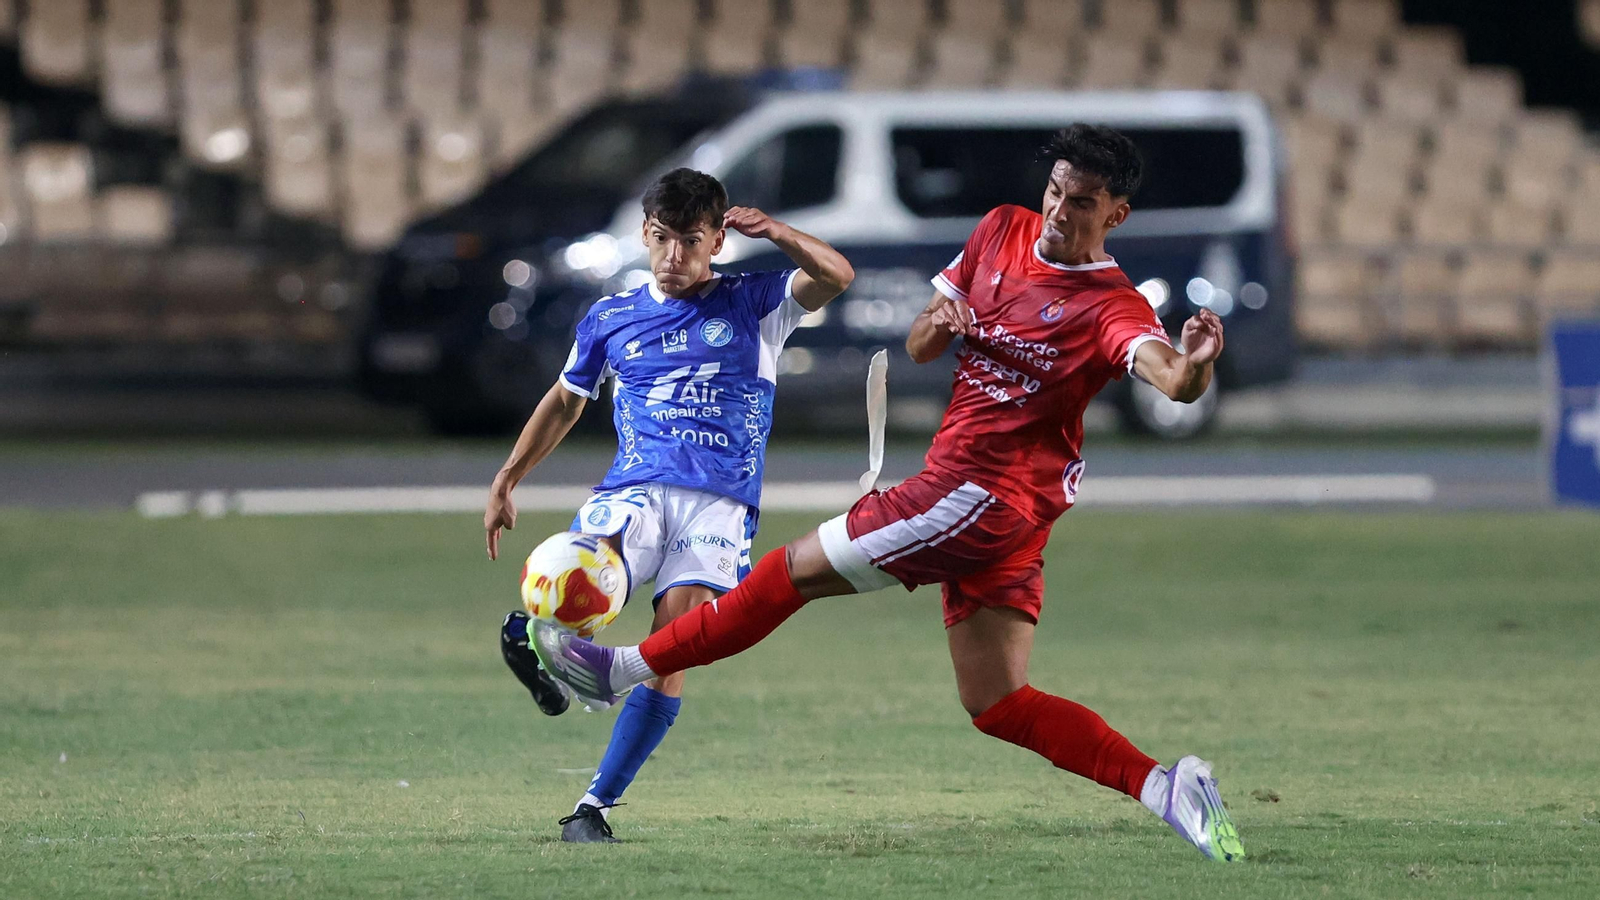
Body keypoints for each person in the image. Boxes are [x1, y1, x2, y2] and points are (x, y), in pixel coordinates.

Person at [531, 125, 1245, 862]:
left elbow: (1172, 380)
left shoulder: (1111, 304)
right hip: (1002, 514)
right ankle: (1167, 788)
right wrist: (939, 320)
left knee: (789, 571)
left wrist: (1194, 364)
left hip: (978, 493)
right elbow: (920, 344)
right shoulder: (1003, 229)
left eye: (1083, 203)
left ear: (1116, 215)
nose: (1060, 212)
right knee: (997, 701)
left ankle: (619, 670)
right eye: (1056, 192)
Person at [487, 167, 854, 843]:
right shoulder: (610, 317)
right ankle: (541, 646)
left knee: (672, 647)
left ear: (717, 240)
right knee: (575, 577)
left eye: (690, 240)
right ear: (645, 234)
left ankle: (592, 808)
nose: (673, 256)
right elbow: (567, 399)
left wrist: (775, 231)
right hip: (634, 490)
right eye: (662, 238)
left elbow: (835, 275)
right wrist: (509, 477)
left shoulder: (756, 302)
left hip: (720, 505)